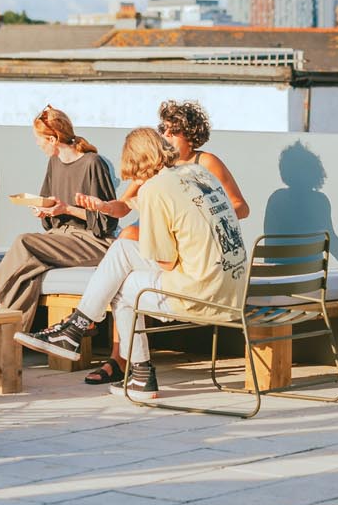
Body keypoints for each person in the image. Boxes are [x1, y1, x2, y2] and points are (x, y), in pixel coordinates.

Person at [26, 100, 251, 386]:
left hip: (203, 293)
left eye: (172, 131)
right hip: (231, 287)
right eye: (163, 131)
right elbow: (125, 204)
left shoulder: (166, 183)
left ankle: (127, 363)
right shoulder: (197, 175)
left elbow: (166, 261)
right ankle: (80, 329)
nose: (166, 136)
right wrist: (104, 207)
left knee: (125, 286)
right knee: (123, 249)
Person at [0, 106, 118, 318]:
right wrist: (45, 210)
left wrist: (67, 209)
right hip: (61, 237)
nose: (37, 144)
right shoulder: (54, 162)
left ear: (52, 139)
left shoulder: (93, 163)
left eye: (38, 139)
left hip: (94, 242)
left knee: (24, 242)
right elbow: (51, 209)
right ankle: (9, 332)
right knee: (28, 272)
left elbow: (107, 221)